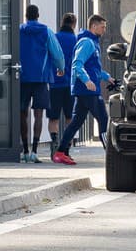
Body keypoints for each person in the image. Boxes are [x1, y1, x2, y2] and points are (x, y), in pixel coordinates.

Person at [53, 14, 116, 165]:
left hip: (87, 89)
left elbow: (94, 68)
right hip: (87, 89)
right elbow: (77, 64)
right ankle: (112, 156)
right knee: (103, 119)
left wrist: (108, 77)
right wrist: (87, 81)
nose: (104, 30)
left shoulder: (93, 42)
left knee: (76, 121)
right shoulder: (87, 42)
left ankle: (60, 152)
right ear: (94, 26)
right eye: (103, 27)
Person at [19, 5, 64, 163]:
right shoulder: (46, 31)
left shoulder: (19, 30)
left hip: (22, 77)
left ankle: (24, 150)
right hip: (41, 78)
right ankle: (35, 151)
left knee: (22, 113)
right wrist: (61, 68)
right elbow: (57, 53)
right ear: (38, 15)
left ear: (26, 15)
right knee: (38, 115)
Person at [46, 12, 77, 160]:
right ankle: (65, 150)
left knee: (54, 118)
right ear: (74, 24)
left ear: (61, 22)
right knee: (70, 118)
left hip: (54, 84)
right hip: (70, 84)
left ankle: (54, 143)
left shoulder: (54, 38)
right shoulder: (76, 40)